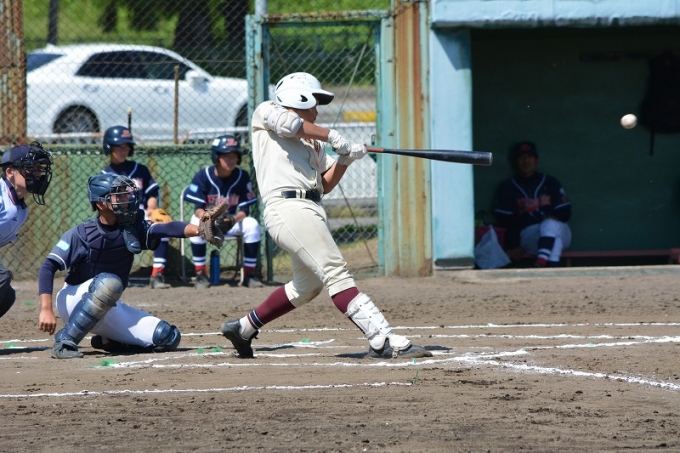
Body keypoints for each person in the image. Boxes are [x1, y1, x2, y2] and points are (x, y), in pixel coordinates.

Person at [220, 72, 432, 359]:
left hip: (309, 208)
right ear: (298, 97)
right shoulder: (266, 111)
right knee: (335, 271)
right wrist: (334, 136)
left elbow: (326, 183)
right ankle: (382, 339)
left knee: (307, 286)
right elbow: (291, 125)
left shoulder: (313, 142)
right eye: (314, 103)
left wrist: (345, 159)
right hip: (287, 208)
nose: (317, 110)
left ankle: (243, 328)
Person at [37, 173, 225, 359]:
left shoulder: (133, 227)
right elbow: (48, 267)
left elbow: (165, 229)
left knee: (166, 337)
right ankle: (65, 341)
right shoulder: (82, 233)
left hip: (107, 305)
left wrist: (200, 230)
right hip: (73, 300)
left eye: (125, 194)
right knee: (109, 283)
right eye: (117, 196)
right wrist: (46, 309)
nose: (125, 199)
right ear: (101, 204)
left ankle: (108, 340)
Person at [183, 135, 263, 288]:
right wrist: (208, 218)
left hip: (231, 221)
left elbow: (244, 210)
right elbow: (198, 209)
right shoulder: (203, 176)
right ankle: (200, 274)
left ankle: (249, 274)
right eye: (226, 156)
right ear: (216, 157)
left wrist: (232, 220)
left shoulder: (242, 176)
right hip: (208, 222)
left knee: (252, 224)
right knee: (195, 223)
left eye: (234, 156)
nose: (231, 160)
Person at [101, 125, 171, 289]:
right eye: (119, 147)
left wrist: (151, 209)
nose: (123, 151)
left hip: (140, 213)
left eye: (126, 147)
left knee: (161, 227)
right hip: (116, 215)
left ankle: (157, 274)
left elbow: (152, 193)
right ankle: (112, 274)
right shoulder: (104, 175)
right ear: (109, 147)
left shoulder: (140, 169)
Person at [493, 141, 572, 267]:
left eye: (529, 157)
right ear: (515, 161)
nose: (526, 161)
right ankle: (548, 268)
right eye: (521, 157)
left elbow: (566, 212)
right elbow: (505, 221)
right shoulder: (507, 187)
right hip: (530, 235)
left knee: (549, 224)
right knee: (555, 242)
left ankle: (541, 260)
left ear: (537, 160)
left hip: (560, 230)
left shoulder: (550, 182)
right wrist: (514, 245)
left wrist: (551, 219)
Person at [0, 142, 53, 320]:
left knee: (7, 296)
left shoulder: (21, 210)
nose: (37, 174)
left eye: (39, 168)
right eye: (31, 168)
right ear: (10, 172)